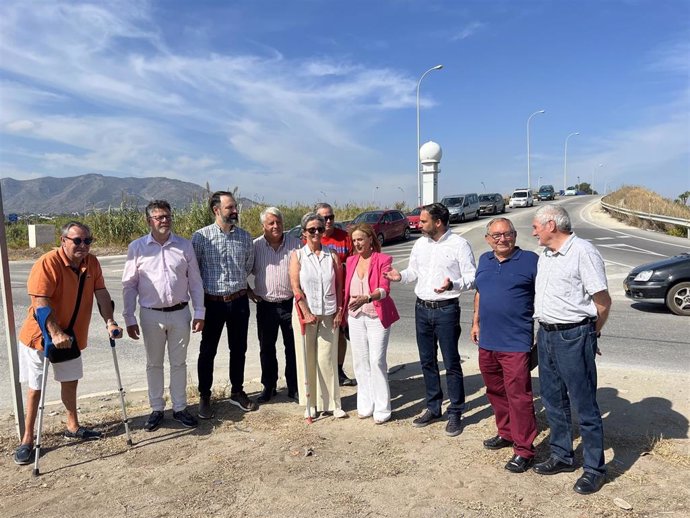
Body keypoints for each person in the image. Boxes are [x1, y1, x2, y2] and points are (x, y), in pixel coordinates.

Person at [14, 221, 122, 465]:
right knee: (35, 388)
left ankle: (72, 426)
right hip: (40, 336)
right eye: (77, 241)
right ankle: (27, 439)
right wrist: (54, 332)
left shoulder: (91, 263)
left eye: (87, 241)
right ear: (63, 241)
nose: (83, 246)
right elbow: (40, 302)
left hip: (71, 336)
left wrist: (110, 322)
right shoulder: (47, 263)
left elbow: (102, 293)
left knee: (70, 381)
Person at [531, 204, 612, 495]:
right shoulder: (546, 255)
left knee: (584, 404)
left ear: (551, 225)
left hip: (573, 336)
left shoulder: (583, 251)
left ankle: (594, 469)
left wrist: (592, 334)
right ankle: (562, 455)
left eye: (536, 226)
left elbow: (602, 301)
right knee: (553, 400)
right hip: (547, 335)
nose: (533, 231)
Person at [385, 203, 476, 437]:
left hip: (446, 309)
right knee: (427, 361)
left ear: (438, 222)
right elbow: (413, 272)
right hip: (421, 308)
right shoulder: (420, 244)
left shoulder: (459, 245)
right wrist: (399, 276)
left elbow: (471, 277)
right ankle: (433, 407)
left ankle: (456, 411)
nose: (418, 224)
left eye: (423, 221)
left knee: (451, 361)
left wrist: (452, 284)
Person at [122, 200, 205, 431]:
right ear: (149, 221)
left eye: (167, 216)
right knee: (154, 364)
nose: (164, 221)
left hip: (180, 313)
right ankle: (157, 409)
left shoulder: (184, 246)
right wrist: (129, 317)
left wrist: (200, 312)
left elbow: (195, 282)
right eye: (159, 217)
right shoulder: (137, 247)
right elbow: (129, 285)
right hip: (151, 315)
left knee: (179, 363)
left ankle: (179, 408)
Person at [470, 217, 538, 473]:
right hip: (487, 340)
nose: (502, 239)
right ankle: (506, 432)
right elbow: (480, 293)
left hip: (515, 342)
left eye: (506, 234)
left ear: (515, 235)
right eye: (496, 235)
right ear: (487, 239)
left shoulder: (531, 261)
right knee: (495, 391)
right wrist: (475, 322)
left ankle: (524, 449)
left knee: (519, 396)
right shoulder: (484, 261)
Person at [192, 191, 256, 418]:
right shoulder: (200, 238)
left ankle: (237, 391)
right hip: (213, 304)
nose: (235, 210)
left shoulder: (245, 237)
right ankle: (204, 396)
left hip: (238, 302)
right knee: (207, 351)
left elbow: (248, 266)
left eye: (235, 206)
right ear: (216, 210)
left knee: (238, 349)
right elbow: (195, 272)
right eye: (230, 207)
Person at [289, 212, 346, 418]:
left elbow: (339, 285)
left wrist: (340, 311)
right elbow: (295, 287)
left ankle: (333, 403)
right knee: (306, 358)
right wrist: (305, 312)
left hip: (329, 313)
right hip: (306, 315)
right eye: (311, 229)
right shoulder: (298, 256)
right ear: (304, 232)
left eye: (320, 229)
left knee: (327, 358)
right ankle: (310, 402)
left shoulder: (332, 256)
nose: (316, 233)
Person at [343, 223, 399, 424]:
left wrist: (367, 298)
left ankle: (383, 408)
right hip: (355, 317)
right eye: (354, 240)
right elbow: (346, 291)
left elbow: (385, 290)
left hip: (377, 315)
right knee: (360, 361)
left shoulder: (383, 260)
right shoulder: (350, 261)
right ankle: (366, 404)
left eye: (361, 239)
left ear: (370, 240)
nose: (357, 243)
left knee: (377, 361)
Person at [249, 207, 301, 404]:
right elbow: (241, 271)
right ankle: (268, 386)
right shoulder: (255, 247)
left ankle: (294, 386)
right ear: (263, 225)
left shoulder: (296, 245)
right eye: (271, 223)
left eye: (278, 222)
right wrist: (248, 291)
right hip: (266, 306)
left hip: (290, 305)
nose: (275, 226)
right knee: (266, 348)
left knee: (293, 348)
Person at [314, 202, 356, 387]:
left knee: (340, 335)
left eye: (331, 217)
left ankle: (339, 372)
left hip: (342, 295)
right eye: (324, 218)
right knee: (320, 336)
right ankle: (321, 373)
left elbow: (355, 263)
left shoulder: (345, 238)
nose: (328, 221)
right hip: (319, 297)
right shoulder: (312, 238)